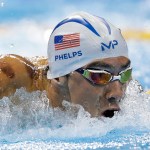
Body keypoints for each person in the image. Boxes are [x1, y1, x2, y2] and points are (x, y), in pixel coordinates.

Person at [0, 12, 132, 118]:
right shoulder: (11, 76)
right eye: (100, 76)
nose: (117, 93)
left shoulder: (125, 86)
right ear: (59, 77)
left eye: (124, 74)